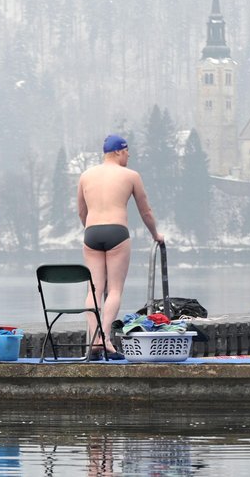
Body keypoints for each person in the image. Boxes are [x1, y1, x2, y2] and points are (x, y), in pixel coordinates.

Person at [77, 134, 164, 360]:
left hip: (92, 232)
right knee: (114, 289)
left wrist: (91, 229)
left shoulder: (86, 175)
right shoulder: (130, 175)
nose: (129, 155)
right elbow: (146, 211)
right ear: (118, 152)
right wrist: (156, 234)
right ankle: (105, 338)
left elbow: (81, 211)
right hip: (117, 231)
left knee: (94, 289)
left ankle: (94, 340)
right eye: (127, 152)